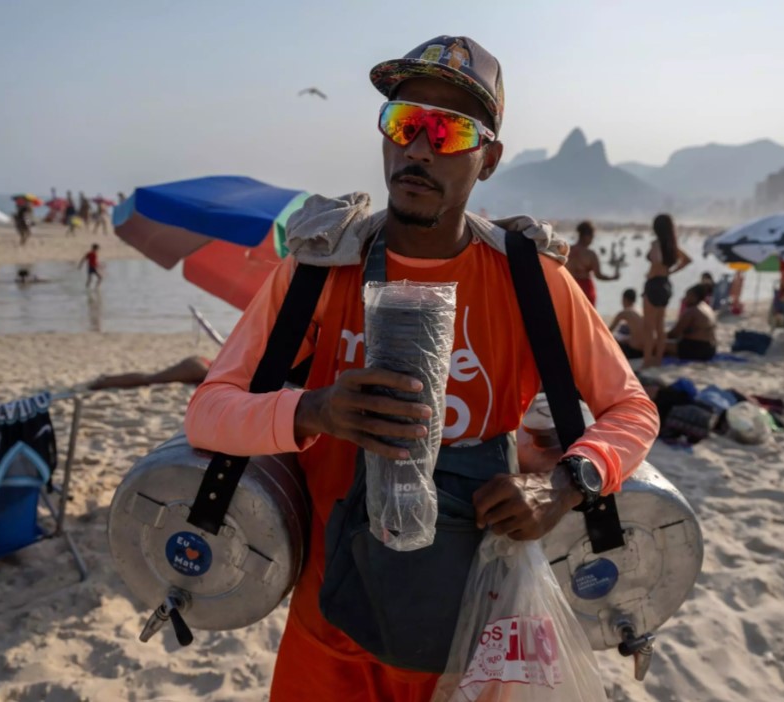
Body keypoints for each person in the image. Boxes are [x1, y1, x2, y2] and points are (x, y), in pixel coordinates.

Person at [183, 36, 659, 701]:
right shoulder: (319, 270)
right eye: (405, 122)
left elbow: (631, 411)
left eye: (449, 129)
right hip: (328, 637)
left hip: (475, 641)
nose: (418, 147)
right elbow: (208, 410)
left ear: (486, 159)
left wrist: (560, 486)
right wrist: (313, 409)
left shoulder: (530, 281)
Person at [642, 213, 691, 367]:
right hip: (665, 284)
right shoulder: (672, 245)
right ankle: (658, 359)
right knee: (660, 325)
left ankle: (647, 360)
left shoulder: (656, 244)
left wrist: (652, 271)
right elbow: (687, 260)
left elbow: (657, 260)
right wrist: (670, 271)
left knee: (649, 326)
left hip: (653, 284)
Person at [564, 220, 619, 305]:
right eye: (592, 237)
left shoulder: (567, 250)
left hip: (570, 287)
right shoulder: (590, 254)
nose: (592, 240)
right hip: (586, 288)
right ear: (587, 236)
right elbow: (599, 275)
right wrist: (613, 278)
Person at [88, 356, 212, 390]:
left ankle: (106, 380)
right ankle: (105, 381)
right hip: (198, 367)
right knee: (151, 379)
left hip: (199, 365)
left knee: (151, 378)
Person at [666, 284, 718, 361]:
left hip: (697, 349)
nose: (685, 298)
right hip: (711, 349)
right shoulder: (707, 308)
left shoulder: (691, 311)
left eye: (687, 296)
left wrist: (660, 336)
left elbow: (674, 334)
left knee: (659, 346)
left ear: (694, 297)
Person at [609, 288, 645, 360]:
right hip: (644, 350)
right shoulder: (640, 311)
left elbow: (608, 331)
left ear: (624, 299)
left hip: (633, 351)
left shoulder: (624, 313)